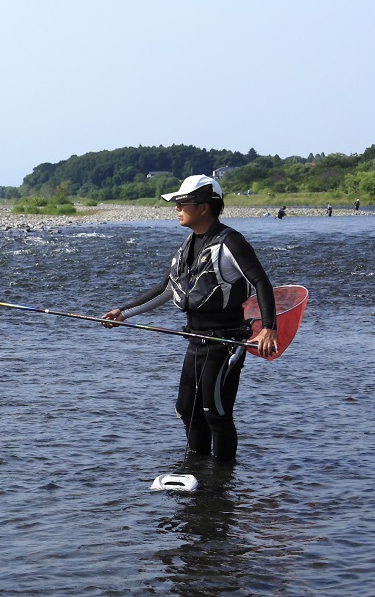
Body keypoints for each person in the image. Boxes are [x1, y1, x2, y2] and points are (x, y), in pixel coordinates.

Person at [102, 174, 278, 461]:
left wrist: (269, 328)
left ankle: (222, 480)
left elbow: (261, 282)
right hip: (196, 341)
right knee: (187, 409)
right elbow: (166, 287)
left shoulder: (230, 241)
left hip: (226, 342)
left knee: (216, 413)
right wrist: (123, 312)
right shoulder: (188, 246)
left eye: (183, 202)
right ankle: (197, 468)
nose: (177, 208)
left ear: (204, 207)